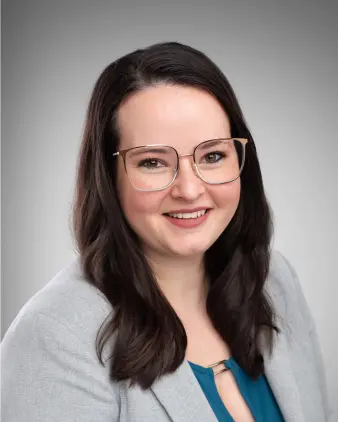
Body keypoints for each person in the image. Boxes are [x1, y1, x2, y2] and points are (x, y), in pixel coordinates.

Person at [1, 41, 330, 422]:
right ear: (109, 179)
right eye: (154, 162)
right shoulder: (55, 338)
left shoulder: (275, 280)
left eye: (212, 156)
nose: (189, 190)